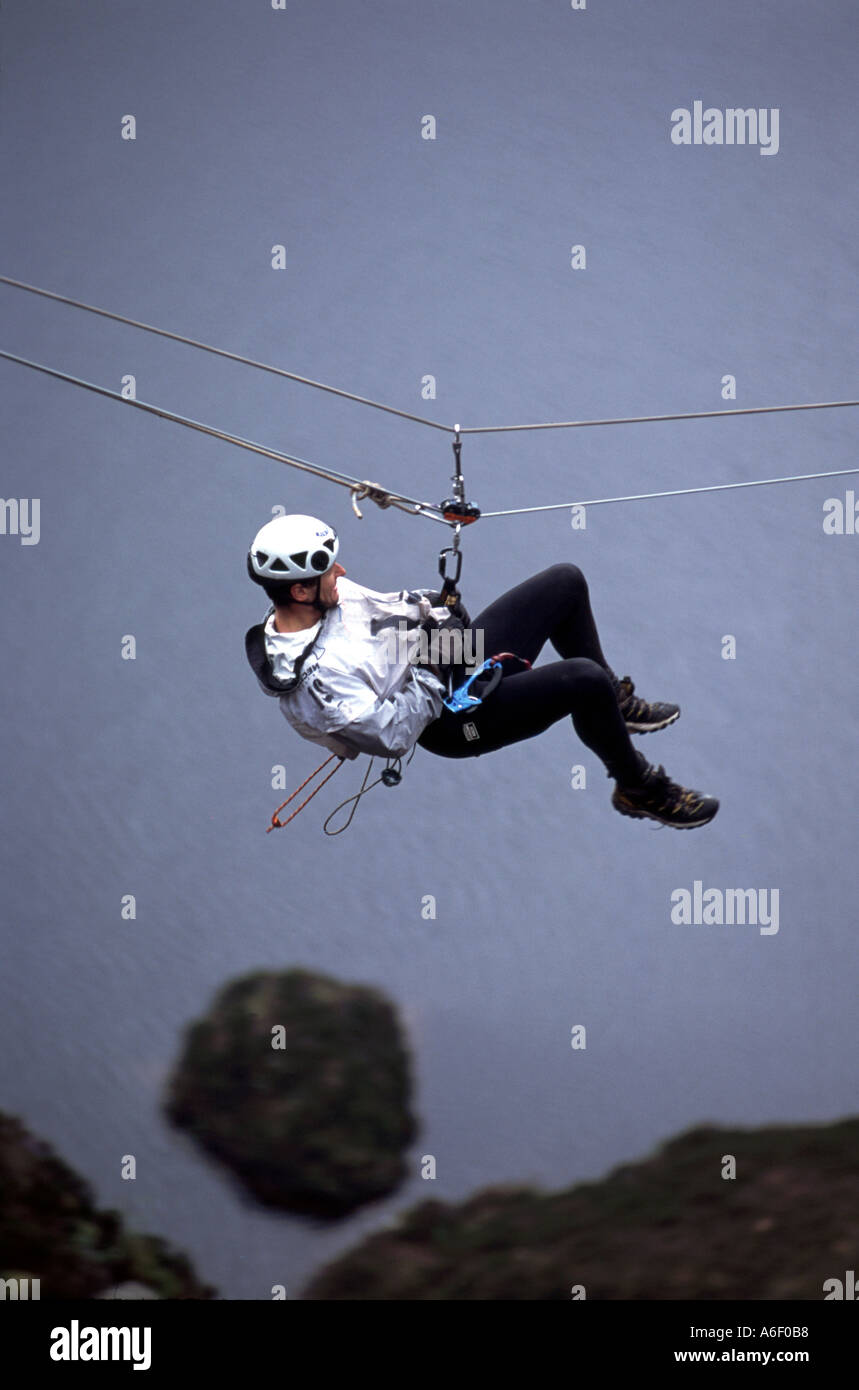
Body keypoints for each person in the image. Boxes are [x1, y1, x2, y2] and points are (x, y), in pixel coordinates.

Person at [244, 513, 719, 829]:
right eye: (330, 571)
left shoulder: (330, 595)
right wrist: (435, 665)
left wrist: (432, 608)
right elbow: (392, 735)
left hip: (443, 661)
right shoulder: (316, 685)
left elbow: (387, 610)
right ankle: (637, 786)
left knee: (565, 582)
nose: (342, 572)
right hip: (445, 722)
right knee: (582, 679)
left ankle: (614, 705)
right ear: (301, 593)